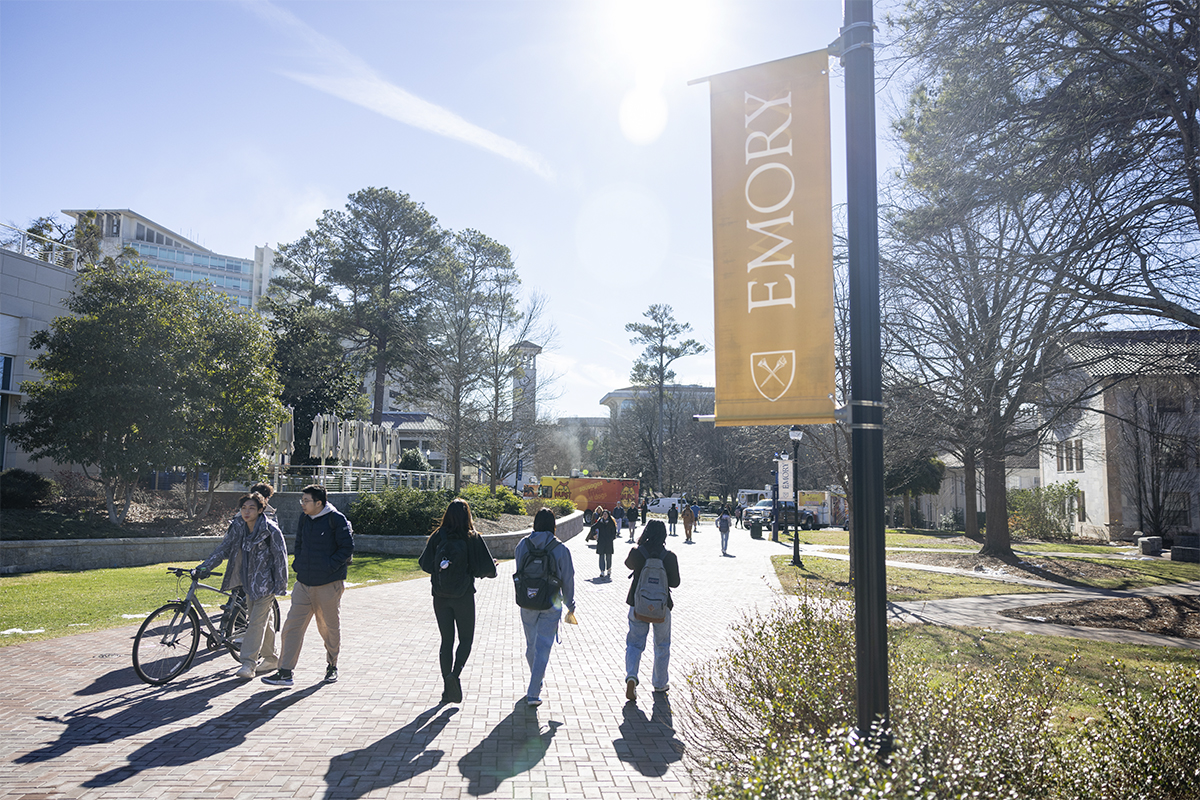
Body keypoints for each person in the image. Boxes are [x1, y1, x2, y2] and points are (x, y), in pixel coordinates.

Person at [262, 484, 354, 687]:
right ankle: (285, 672)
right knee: (291, 627)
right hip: (304, 583)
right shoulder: (304, 518)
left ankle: (332, 665)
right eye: (301, 500)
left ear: (319, 503)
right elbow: (300, 543)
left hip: (328, 584)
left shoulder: (336, 519)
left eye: (306, 501)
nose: (302, 504)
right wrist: (299, 564)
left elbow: (346, 548)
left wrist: (328, 567)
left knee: (329, 628)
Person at [197, 492, 288, 679]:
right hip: (246, 583)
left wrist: (280, 585)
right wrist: (205, 566)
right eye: (244, 508)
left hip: (266, 585)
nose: (246, 512)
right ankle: (271, 658)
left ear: (261, 510)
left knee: (254, 623)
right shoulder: (238, 527)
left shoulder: (271, 530)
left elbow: (281, 559)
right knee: (264, 621)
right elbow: (223, 548)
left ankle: (248, 664)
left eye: (251, 508)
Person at [418, 498, 498, 704]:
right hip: (464, 597)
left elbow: (425, 564)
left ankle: (447, 686)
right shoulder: (472, 537)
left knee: (446, 641)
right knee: (466, 639)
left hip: (440, 596)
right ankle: (455, 674)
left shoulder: (438, 536)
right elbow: (489, 570)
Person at [514, 509, 576, 707]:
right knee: (543, 648)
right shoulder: (560, 548)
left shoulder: (523, 545)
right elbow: (568, 578)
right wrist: (569, 603)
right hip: (550, 603)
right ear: (553, 525)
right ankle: (534, 691)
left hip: (527, 602)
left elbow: (519, 570)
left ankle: (536, 680)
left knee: (531, 646)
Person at [623, 520, 680, 701]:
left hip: (638, 604)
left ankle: (632, 676)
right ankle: (659, 683)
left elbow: (628, 564)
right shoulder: (669, 556)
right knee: (662, 645)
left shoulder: (638, 553)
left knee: (634, 643)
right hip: (662, 607)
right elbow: (675, 583)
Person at [590, 507, 618, 579]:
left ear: (608, 515)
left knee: (608, 557)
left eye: (606, 514)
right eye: (603, 514)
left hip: (608, 542)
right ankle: (602, 571)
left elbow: (614, 532)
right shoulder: (600, 522)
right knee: (601, 556)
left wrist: (612, 538)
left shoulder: (611, 522)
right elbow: (593, 527)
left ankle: (609, 569)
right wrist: (594, 535)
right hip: (601, 542)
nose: (605, 516)